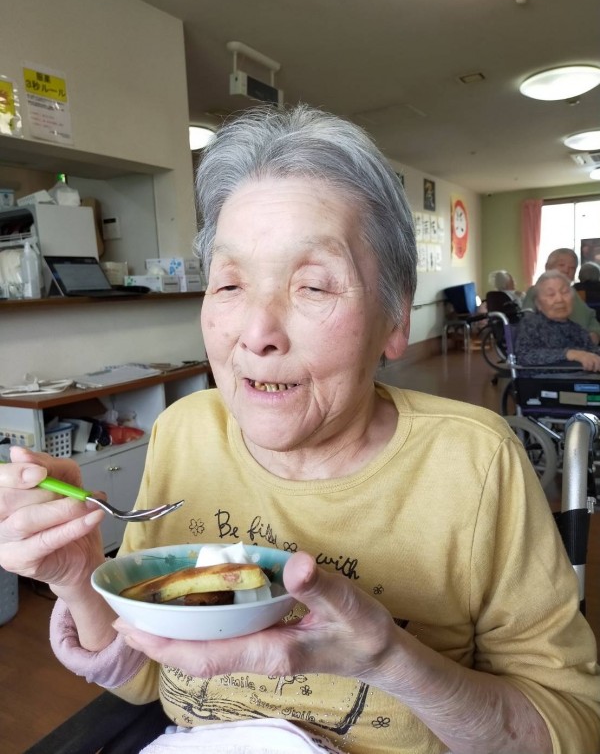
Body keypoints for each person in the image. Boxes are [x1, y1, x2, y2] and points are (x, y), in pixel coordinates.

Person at [0, 106, 599, 754]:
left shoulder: (476, 464)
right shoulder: (183, 432)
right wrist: (77, 575)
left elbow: (568, 727)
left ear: (396, 319)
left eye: (312, 285)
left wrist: (390, 660)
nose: (257, 333)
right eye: (229, 283)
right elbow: (150, 677)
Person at [516, 270, 600, 371]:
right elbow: (524, 356)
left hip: (582, 378)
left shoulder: (577, 329)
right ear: (538, 304)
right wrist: (569, 354)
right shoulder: (530, 324)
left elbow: (593, 352)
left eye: (564, 292)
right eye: (551, 294)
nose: (559, 299)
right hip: (545, 379)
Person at [522, 248, 600, 344]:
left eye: (572, 268)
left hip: (584, 345)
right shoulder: (536, 291)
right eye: (561, 265)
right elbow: (528, 323)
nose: (566, 270)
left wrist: (595, 333)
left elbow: (590, 316)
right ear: (547, 267)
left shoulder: (573, 292)